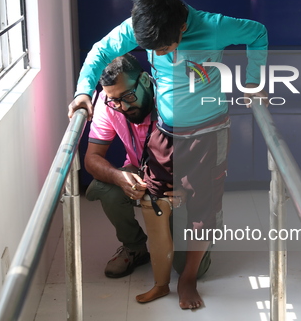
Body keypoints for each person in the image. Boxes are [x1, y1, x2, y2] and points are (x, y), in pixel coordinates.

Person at [69, 0, 268, 310]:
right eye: (153, 50)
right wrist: (82, 91)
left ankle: (187, 278)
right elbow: (101, 50)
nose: (159, 53)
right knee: (154, 203)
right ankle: (161, 283)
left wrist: (254, 80)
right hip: (165, 131)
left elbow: (257, 33)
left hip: (208, 132)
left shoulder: (214, 26)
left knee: (201, 210)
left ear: (183, 28)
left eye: (164, 47)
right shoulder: (140, 27)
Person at [84, 53, 211, 280]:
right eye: (114, 100)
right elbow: (92, 158)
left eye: (128, 96)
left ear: (144, 80)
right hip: (140, 170)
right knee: (104, 187)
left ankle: (202, 238)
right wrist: (119, 177)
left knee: (189, 269)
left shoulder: (176, 98)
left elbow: (211, 156)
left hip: (181, 178)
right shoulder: (109, 103)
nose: (122, 106)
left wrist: (189, 188)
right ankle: (134, 248)